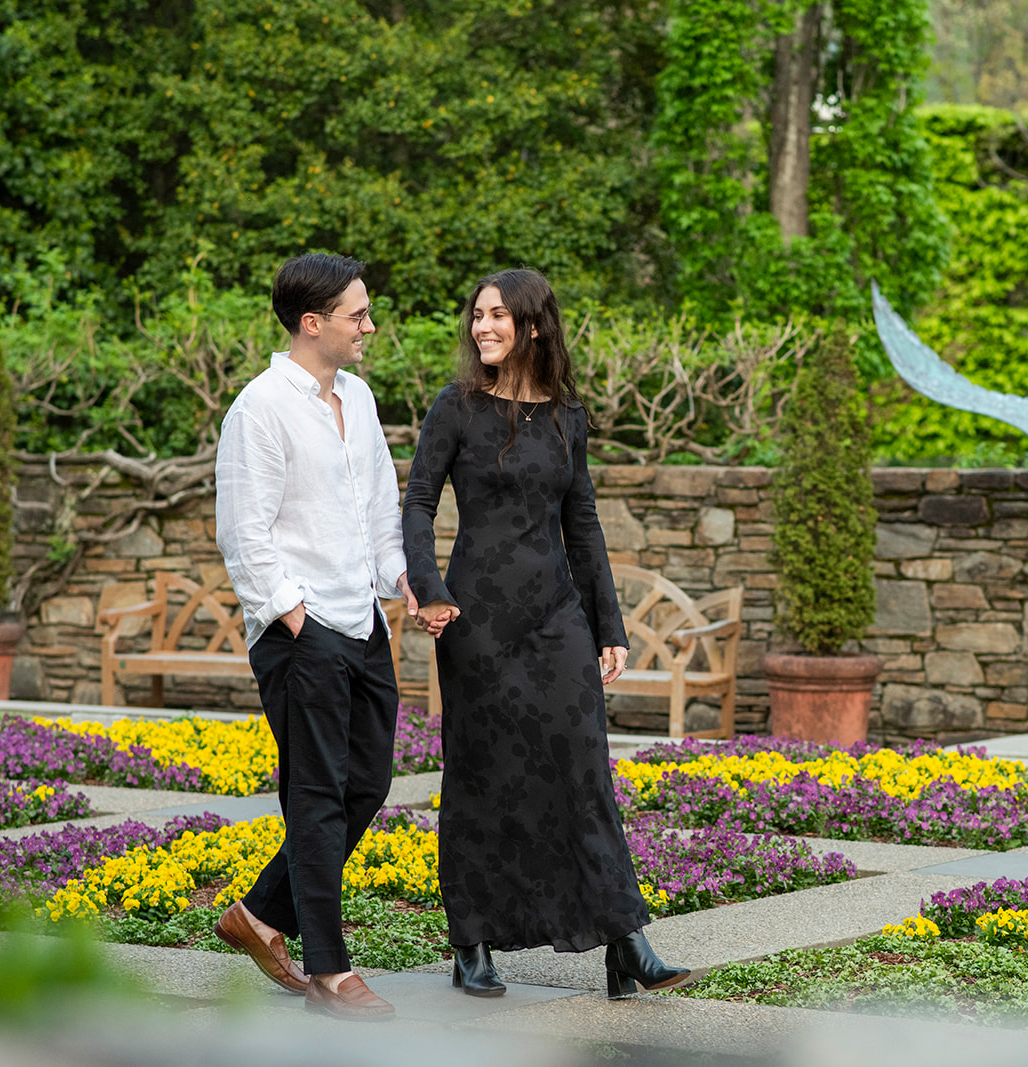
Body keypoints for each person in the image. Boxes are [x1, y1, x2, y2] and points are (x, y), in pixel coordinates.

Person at [402, 268, 689, 999]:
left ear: (532, 325)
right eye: (477, 315)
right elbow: (418, 502)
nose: (482, 326)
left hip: (556, 618)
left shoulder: (567, 416)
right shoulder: (457, 407)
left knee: (584, 770)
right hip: (476, 622)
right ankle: (470, 942)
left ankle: (626, 940)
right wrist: (429, 587)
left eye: (498, 315)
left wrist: (608, 623)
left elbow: (582, 523)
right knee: (480, 774)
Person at [213, 252, 413, 1021]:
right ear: (312, 322)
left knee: (368, 783)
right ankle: (330, 973)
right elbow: (244, 534)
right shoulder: (259, 409)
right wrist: (297, 617)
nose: (369, 326)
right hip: (301, 632)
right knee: (318, 794)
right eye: (357, 314)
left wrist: (402, 582)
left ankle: (262, 913)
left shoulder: (357, 398)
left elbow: (379, 507)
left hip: (363, 621)